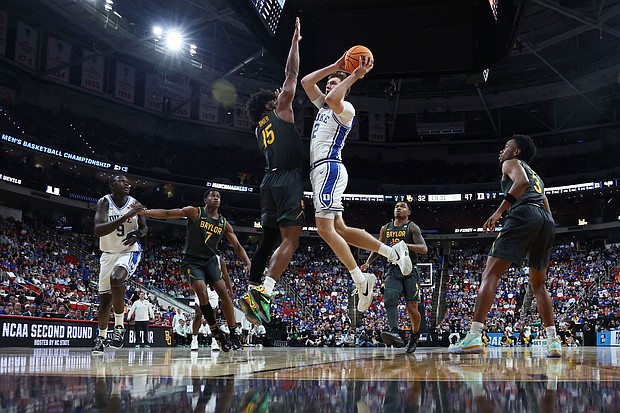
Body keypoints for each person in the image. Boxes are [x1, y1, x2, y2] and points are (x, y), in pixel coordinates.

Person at [300, 50, 412, 313]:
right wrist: (335, 66)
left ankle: (361, 280)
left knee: (324, 230)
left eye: (333, 83)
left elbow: (331, 97)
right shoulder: (325, 106)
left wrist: (351, 76)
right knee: (340, 228)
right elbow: (306, 82)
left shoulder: (345, 109)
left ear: (343, 89)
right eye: (328, 82)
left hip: (329, 168)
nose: (328, 84)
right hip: (320, 172)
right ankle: (393, 253)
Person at [449, 134, 561, 358]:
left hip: (524, 214)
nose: (502, 151)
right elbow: (545, 205)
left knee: (490, 274)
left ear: (517, 151)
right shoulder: (538, 176)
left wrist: (499, 212)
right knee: (539, 285)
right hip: (546, 222)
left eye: (506, 147)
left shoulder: (510, 163)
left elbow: (522, 183)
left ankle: (473, 335)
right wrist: (544, 231)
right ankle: (553, 341)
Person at [239, 17, 304, 325]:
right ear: (270, 105)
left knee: (268, 239)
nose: (282, 95)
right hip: (287, 178)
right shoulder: (280, 109)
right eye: (276, 97)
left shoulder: (258, 129)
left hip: (268, 181)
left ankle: (253, 287)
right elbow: (292, 73)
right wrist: (294, 42)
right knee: (292, 239)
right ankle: (265, 291)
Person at [140, 190, 250, 352]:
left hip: (210, 260)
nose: (216, 198)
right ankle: (215, 331)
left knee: (224, 295)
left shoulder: (223, 223)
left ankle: (233, 333)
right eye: (212, 196)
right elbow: (167, 213)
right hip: (192, 261)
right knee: (201, 291)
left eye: (218, 197)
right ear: (205, 199)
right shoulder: (195, 212)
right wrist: (144, 212)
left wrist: (248, 262)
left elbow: (238, 246)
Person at [361, 201, 428, 353]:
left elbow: (423, 249)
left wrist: (405, 245)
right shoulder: (386, 228)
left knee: (412, 308)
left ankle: (415, 335)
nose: (398, 208)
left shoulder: (412, 227)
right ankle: (395, 332)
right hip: (393, 270)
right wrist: (367, 263)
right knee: (389, 300)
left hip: (410, 270)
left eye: (403, 206)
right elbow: (377, 247)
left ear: (408, 212)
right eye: (397, 206)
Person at [92, 175, 148, 354]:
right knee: (104, 303)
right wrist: (127, 216)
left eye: (128, 182)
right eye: (122, 181)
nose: (127, 184)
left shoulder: (134, 203)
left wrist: (138, 234)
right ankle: (101, 338)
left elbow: (145, 227)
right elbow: (98, 230)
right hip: (108, 254)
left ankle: (119, 327)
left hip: (129, 251)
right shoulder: (104, 202)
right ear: (112, 185)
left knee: (117, 278)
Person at [190, 256, 233, 351]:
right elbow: (192, 272)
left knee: (213, 316)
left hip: (213, 289)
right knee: (198, 314)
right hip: (201, 287)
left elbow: (226, 275)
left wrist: (230, 290)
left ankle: (214, 341)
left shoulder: (219, 259)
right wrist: (192, 286)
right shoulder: (198, 254)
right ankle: (194, 339)